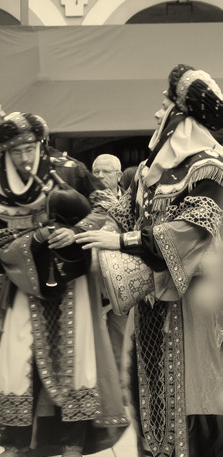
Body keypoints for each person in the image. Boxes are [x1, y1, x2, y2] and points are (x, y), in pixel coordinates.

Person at [76, 64, 223, 457]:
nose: (156, 112)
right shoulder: (146, 173)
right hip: (154, 301)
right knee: (149, 387)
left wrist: (122, 243)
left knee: (197, 391)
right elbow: (118, 215)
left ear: (182, 118)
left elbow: (194, 229)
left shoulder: (209, 168)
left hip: (196, 301)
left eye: (165, 105)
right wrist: (74, 236)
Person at [0, 110, 127, 457]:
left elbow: (109, 205)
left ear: (41, 143)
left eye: (28, 147)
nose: (23, 157)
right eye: (15, 151)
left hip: (72, 281)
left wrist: (75, 232)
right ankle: (16, 442)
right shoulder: (0, 187)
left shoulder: (71, 169)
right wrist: (27, 239)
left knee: (75, 357)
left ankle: (72, 442)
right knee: (18, 358)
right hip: (22, 282)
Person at [89, 154, 129, 375]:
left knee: (120, 339)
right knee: (91, 338)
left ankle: (120, 392)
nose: (100, 176)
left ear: (119, 175)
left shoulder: (130, 202)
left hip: (121, 280)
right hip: (92, 282)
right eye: (96, 172)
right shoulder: (84, 201)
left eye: (106, 171)